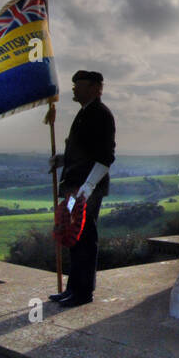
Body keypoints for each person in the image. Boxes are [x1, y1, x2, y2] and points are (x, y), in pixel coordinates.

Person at [48, 70, 115, 307]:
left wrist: (87, 187)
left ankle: (83, 292)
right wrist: (62, 160)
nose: (74, 88)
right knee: (74, 236)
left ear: (96, 88)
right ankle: (73, 289)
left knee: (85, 238)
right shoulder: (85, 113)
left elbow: (106, 157)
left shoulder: (100, 115)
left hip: (87, 191)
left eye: (80, 84)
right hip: (76, 189)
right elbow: (82, 152)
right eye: (74, 84)